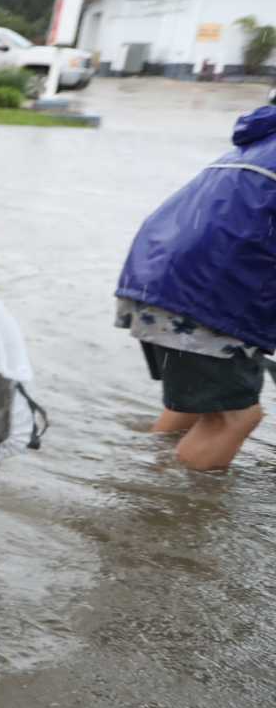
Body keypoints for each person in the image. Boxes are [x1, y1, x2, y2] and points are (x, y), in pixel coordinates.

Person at [115, 102, 274, 471]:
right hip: (205, 296)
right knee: (234, 417)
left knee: (194, 405)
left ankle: (149, 477)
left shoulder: (262, 140)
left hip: (154, 279)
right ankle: (173, 514)